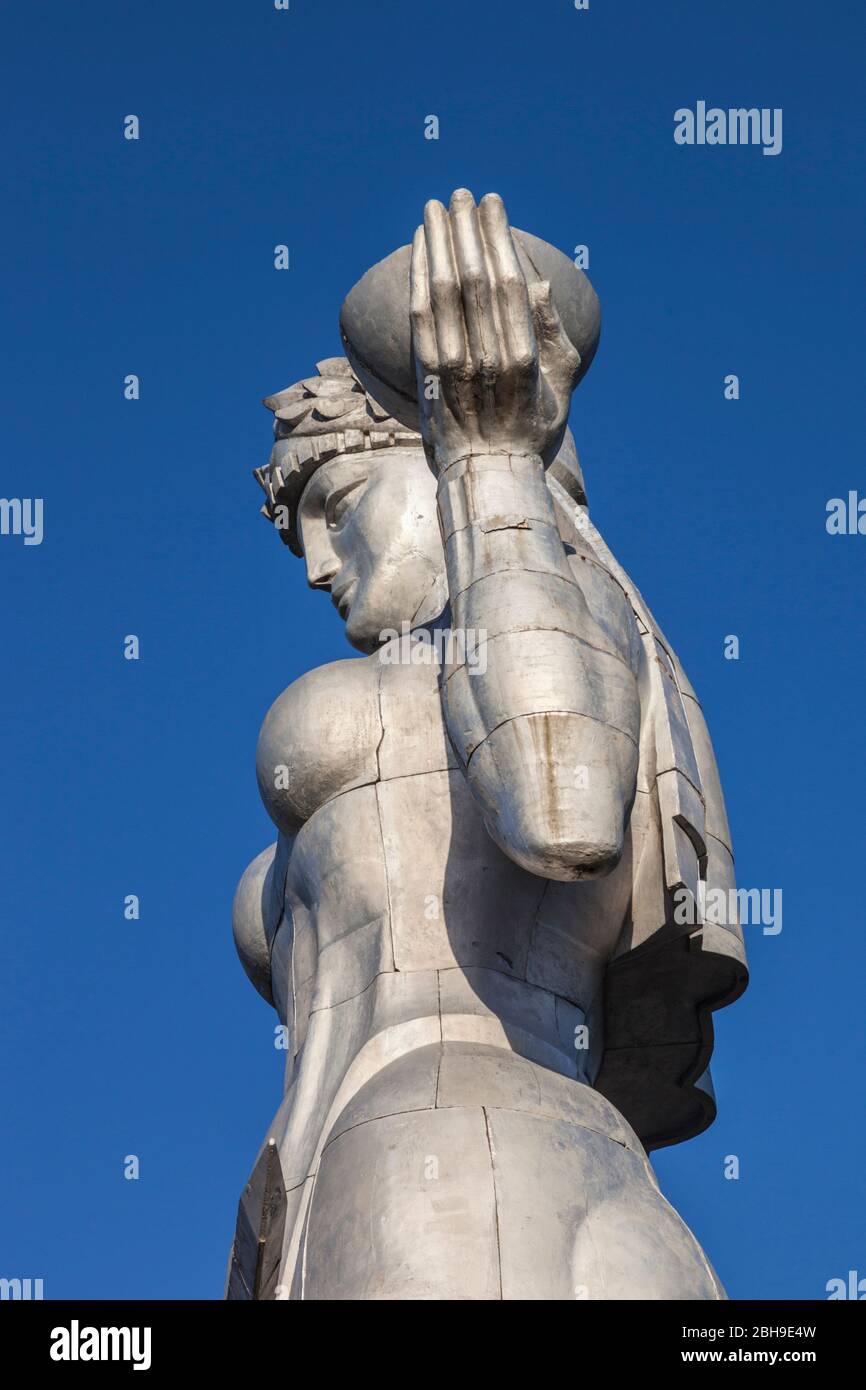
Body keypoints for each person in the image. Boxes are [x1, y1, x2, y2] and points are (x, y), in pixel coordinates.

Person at [227, 193, 747, 1301]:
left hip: (437, 1158)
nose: (320, 567)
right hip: (559, 1166)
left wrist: (491, 457)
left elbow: (557, 808)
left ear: (428, 449)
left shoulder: (558, 618)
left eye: (340, 501)